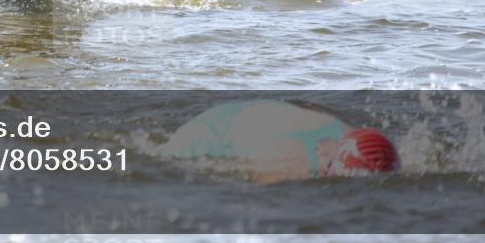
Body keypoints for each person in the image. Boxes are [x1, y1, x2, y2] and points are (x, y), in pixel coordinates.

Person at [159, 99, 400, 183]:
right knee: (165, 162)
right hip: (212, 129)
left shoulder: (363, 143)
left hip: (266, 114)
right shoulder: (289, 167)